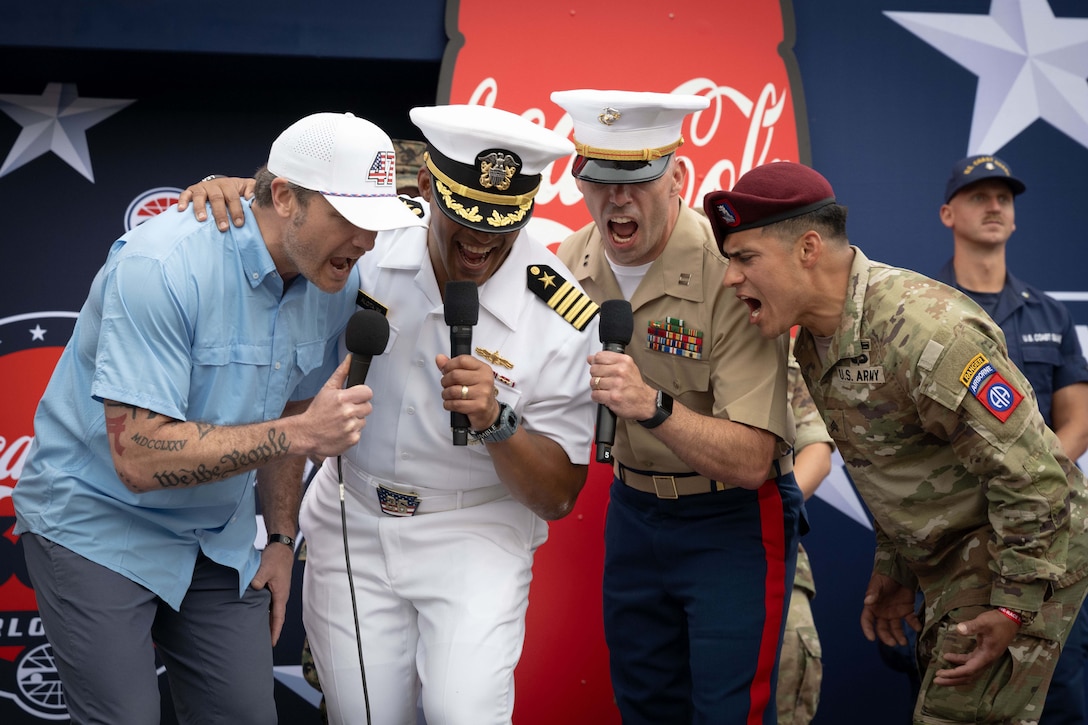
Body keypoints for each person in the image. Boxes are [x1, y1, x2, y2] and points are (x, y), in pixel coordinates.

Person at [180, 103, 599, 725]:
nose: (483, 238)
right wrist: (240, 192)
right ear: (428, 188)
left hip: (474, 533)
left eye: (505, 221)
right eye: (466, 215)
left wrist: (497, 423)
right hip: (353, 518)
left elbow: (560, 494)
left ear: (529, 209)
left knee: (466, 714)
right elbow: (287, 223)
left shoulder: (561, 313)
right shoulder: (369, 243)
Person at [12, 111, 425, 723]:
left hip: (214, 539)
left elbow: (288, 407)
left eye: (375, 223)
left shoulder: (335, 281)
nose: (366, 241)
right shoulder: (161, 265)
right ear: (285, 198)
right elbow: (140, 457)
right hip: (96, 525)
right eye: (350, 219)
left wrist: (282, 539)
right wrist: (303, 432)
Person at [705, 161, 1088, 724]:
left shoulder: (928, 331)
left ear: (807, 247)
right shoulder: (813, 342)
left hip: (1021, 550)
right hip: (952, 560)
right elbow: (893, 462)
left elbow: (1037, 479)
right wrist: (897, 567)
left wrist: (1014, 606)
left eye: (744, 259)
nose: (730, 279)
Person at [550, 88, 803, 724]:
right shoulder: (564, 263)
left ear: (678, 178)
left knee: (729, 713)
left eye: (636, 179)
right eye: (599, 181)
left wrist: (651, 405)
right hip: (632, 512)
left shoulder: (732, 271)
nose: (617, 200)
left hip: (729, 520)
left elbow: (753, 458)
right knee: (645, 709)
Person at [935, 153, 1088, 724]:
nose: (995, 205)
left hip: (1048, 538)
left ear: (1016, 218)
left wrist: (1028, 478)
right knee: (951, 687)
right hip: (956, 535)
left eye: (1004, 197)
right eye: (979, 196)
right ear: (949, 213)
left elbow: (1078, 418)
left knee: (1059, 687)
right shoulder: (924, 309)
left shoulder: (1047, 311)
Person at [778, 343, 834, 725]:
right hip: (671, 545)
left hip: (766, 548)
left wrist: (767, 510)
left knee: (787, 672)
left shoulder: (773, 343)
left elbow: (817, 451)